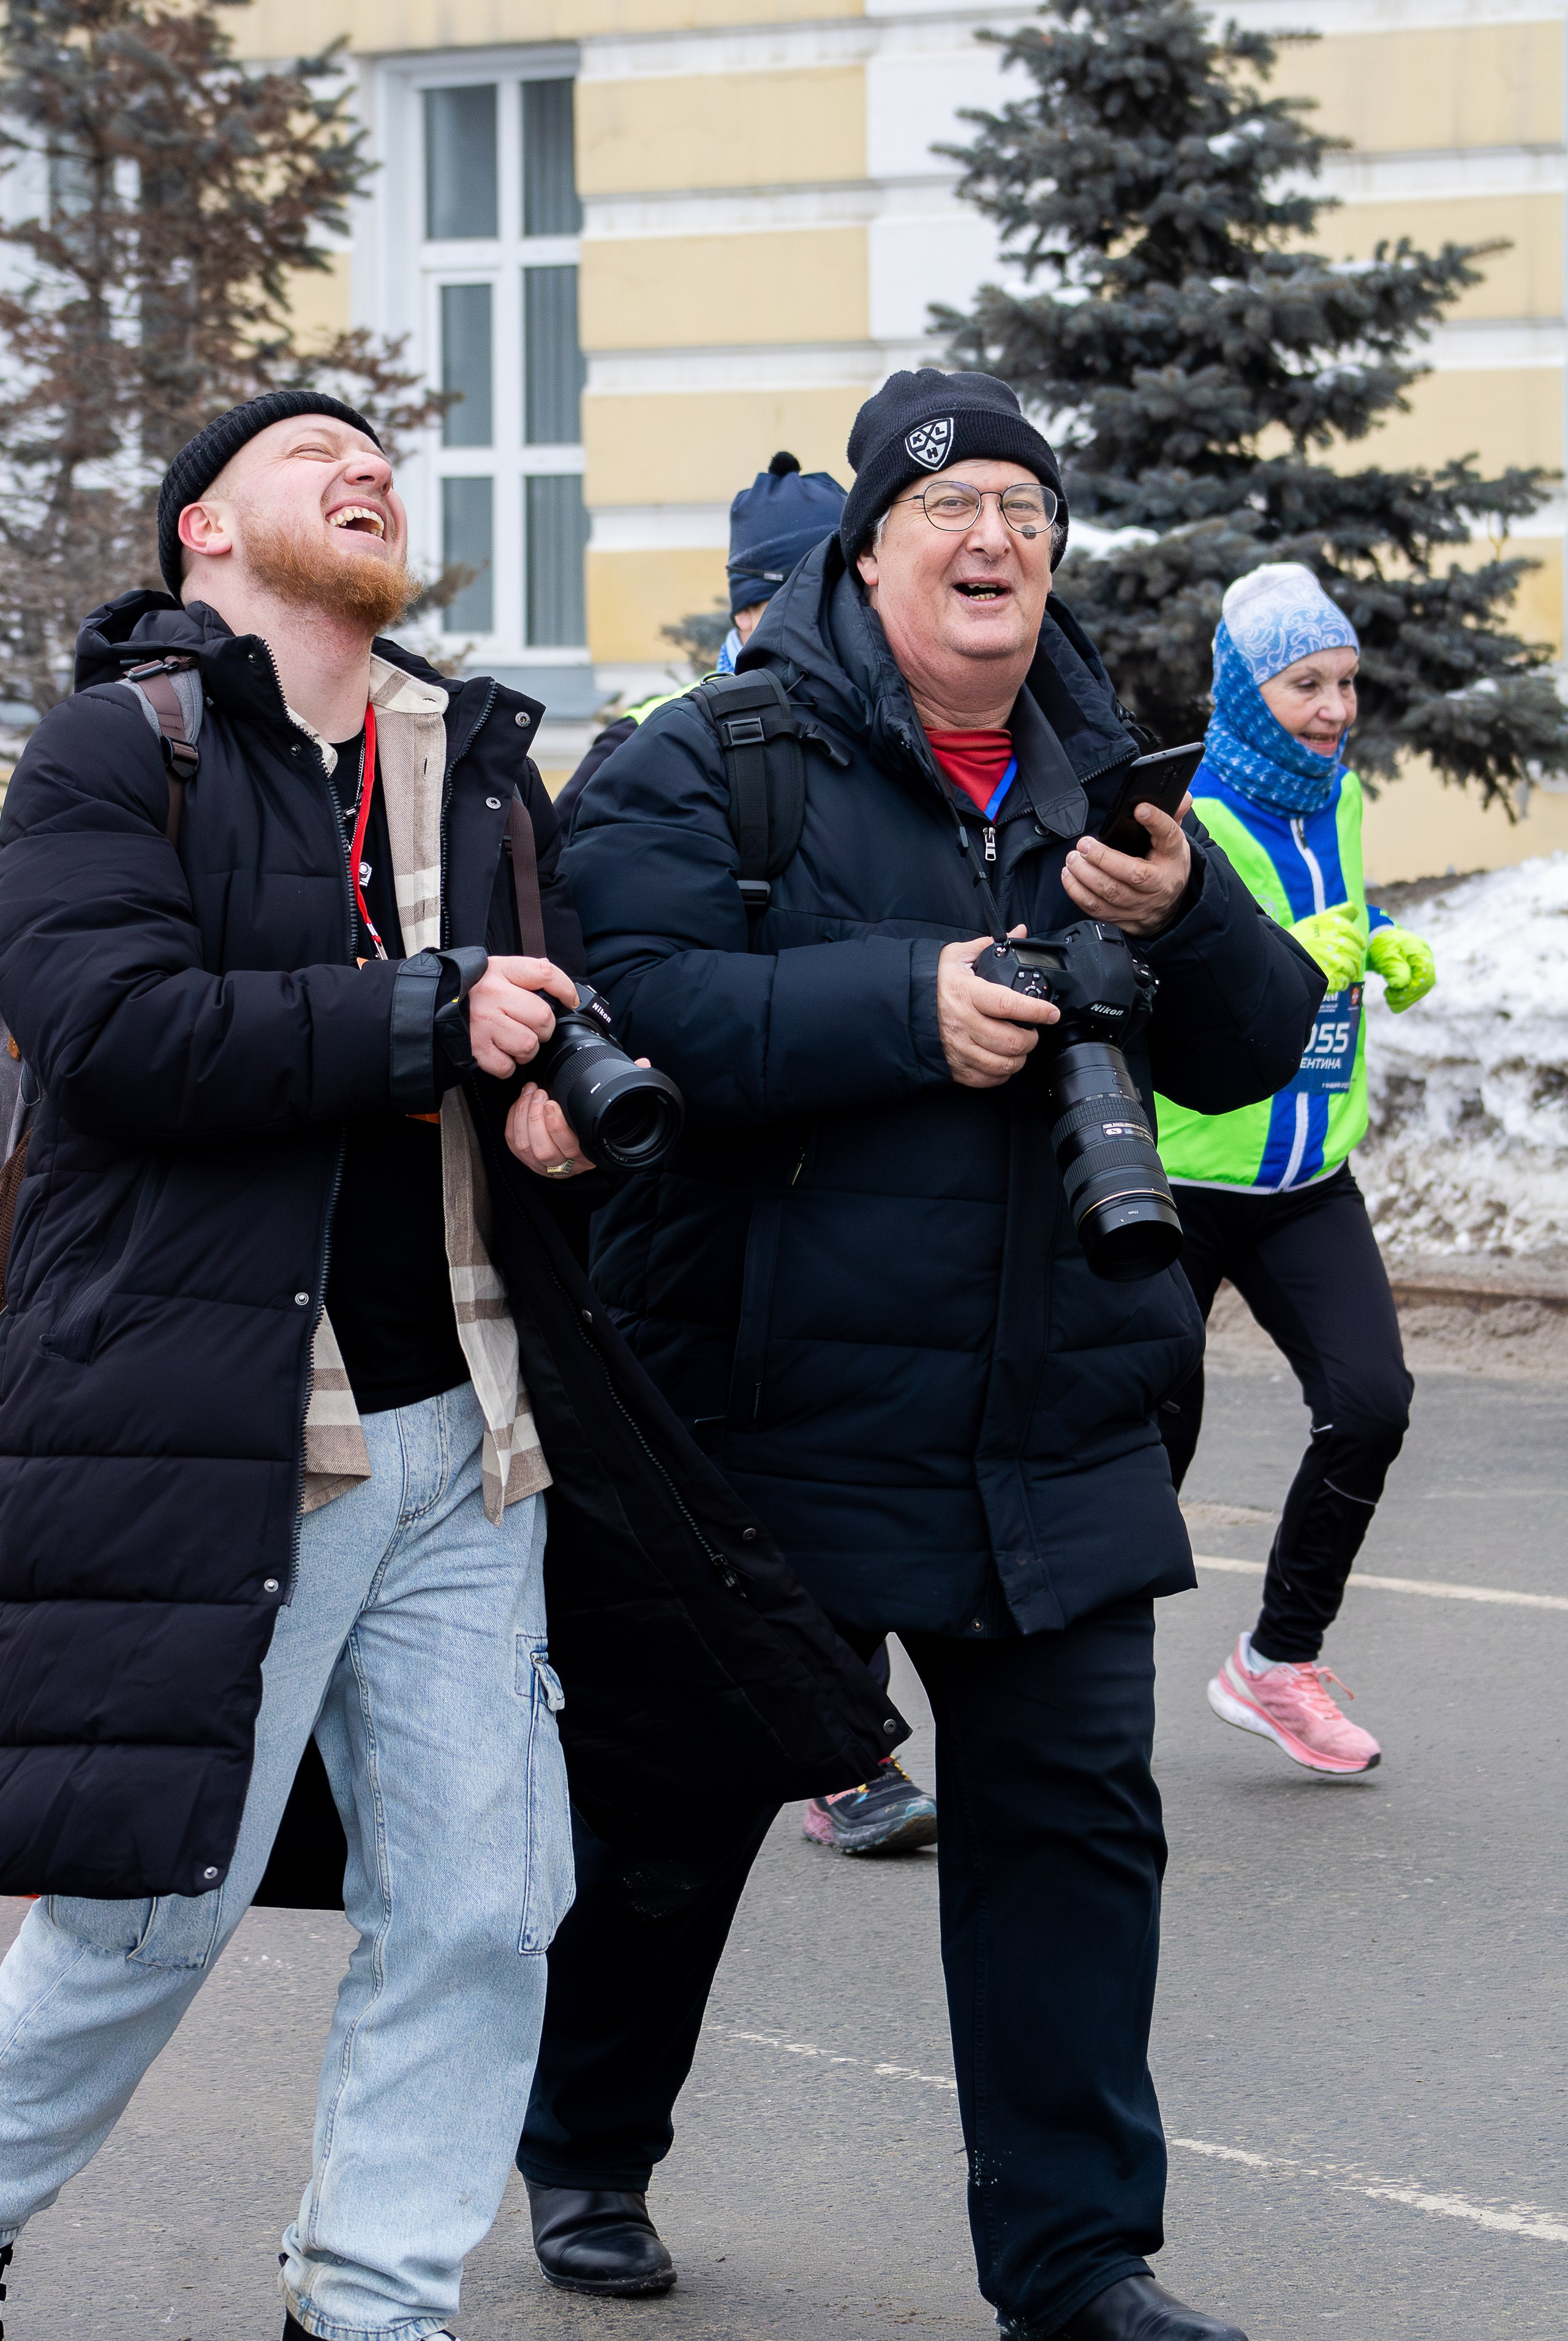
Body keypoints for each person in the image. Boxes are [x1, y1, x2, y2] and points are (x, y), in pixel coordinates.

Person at [0, 391, 898, 2341]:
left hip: (470, 1433)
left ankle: (374, 2300)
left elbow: (512, 1037)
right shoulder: (111, 752)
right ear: (203, 533)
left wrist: (552, 1129)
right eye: (308, 450)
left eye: (380, 455)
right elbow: (114, 1032)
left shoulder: (479, 769)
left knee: (487, 1910)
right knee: (148, 1913)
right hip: (229, 1431)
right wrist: (426, 1012)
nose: (365, 468)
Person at [516, 369, 1324, 2339]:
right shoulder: (710, 757)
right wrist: (905, 1002)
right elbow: (624, 1000)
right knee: (672, 1822)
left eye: (1027, 516)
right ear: (866, 543)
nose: (992, 543)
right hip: (760, 1413)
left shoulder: (1095, 777)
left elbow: (1250, 1039)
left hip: (1044, 1412)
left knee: (1070, 1834)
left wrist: (1191, 903)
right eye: (949, 504)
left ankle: (1075, 2261)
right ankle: (586, 2142)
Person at [569, 445, 938, 1858]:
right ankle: (824, 1750)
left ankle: (838, 1738)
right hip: (690, 1200)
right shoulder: (669, 741)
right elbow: (612, 963)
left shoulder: (887, 731)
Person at [1155, 564, 1435, 1776]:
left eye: (1342, 684)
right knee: (1139, 1453)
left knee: (1370, 1402)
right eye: (1303, 685)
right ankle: (1023, 1702)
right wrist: (1284, 961)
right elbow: (1176, 990)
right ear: (1244, 689)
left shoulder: (1343, 798)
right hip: (1186, 1173)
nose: (1330, 709)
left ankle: (1274, 1662)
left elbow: (1335, 917)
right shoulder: (1189, 818)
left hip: (1303, 1173)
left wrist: (1380, 946)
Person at [554, 450, 848, 838]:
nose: (831, 612)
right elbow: (552, 875)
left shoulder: (891, 718)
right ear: (744, 611)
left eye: (843, 591)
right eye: (801, 592)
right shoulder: (644, 739)